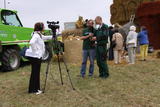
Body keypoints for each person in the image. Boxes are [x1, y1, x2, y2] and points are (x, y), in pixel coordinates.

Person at [25, 22, 51, 94]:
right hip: (36, 57)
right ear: (40, 27)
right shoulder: (36, 35)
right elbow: (32, 42)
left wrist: (53, 36)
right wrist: (35, 51)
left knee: (35, 73)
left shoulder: (38, 34)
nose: (44, 28)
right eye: (43, 26)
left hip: (36, 56)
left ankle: (35, 89)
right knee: (35, 73)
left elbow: (44, 37)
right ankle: (33, 90)